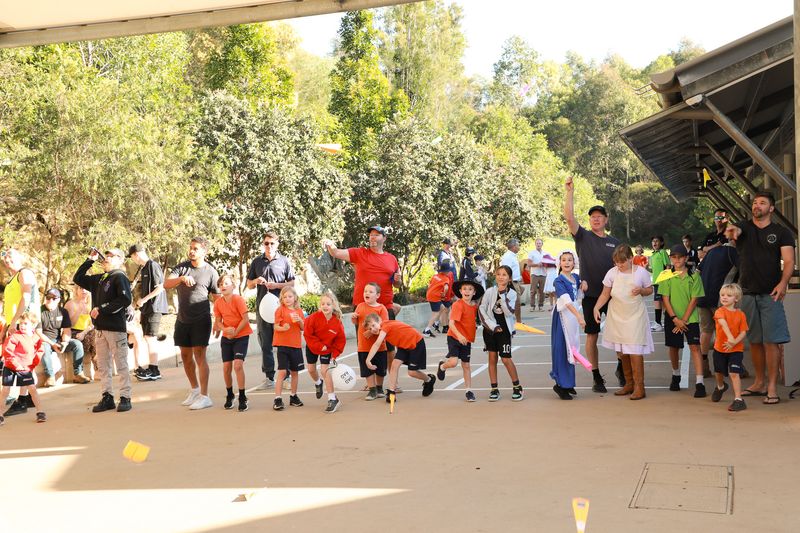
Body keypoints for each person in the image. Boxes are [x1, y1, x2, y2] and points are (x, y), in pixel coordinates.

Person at [725, 191, 795, 404]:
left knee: (771, 342)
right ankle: (759, 382)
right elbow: (735, 230)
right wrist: (732, 231)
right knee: (754, 341)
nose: (757, 205)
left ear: (771, 208)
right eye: (755, 202)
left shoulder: (781, 232)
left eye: (762, 203)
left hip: (771, 294)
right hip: (747, 293)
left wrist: (783, 283)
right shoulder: (744, 227)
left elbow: (789, 261)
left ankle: (772, 387)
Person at [564, 176, 621, 393]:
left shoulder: (615, 243)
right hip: (590, 296)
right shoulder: (583, 237)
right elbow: (569, 218)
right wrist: (570, 192)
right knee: (592, 335)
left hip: (613, 296)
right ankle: (596, 376)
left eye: (599, 217)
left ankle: (622, 368)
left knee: (619, 335)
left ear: (606, 220)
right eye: (592, 217)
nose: (595, 219)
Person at [324, 225, 401, 368]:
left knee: (389, 346)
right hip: (363, 309)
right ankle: (369, 378)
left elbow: (397, 284)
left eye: (376, 234)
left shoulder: (392, 259)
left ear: (384, 238)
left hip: (385, 307)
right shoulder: (359, 253)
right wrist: (330, 245)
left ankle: (391, 377)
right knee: (365, 346)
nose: (372, 237)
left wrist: (398, 280)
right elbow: (335, 252)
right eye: (371, 235)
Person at [73, 247, 133, 413]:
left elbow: (125, 299)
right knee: (103, 365)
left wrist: (102, 308)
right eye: (106, 255)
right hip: (100, 329)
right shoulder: (100, 278)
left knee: (121, 364)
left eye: (112, 256)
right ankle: (107, 396)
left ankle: (125, 396)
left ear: (120, 260)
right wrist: (89, 260)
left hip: (115, 328)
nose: (107, 258)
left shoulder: (119, 276)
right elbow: (78, 278)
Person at [164, 237, 220, 410]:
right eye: (191, 248)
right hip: (182, 319)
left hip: (201, 320)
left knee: (200, 356)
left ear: (204, 251)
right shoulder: (182, 268)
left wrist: (218, 320)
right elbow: (166, 284)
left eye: (195, 248)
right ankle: (195, 390)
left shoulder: (211, 271)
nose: (192, 251)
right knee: (185, 356)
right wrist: (181, 278)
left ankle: (205, 396)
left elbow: (217, 299)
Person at [593, 245, 654, 400]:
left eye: (622, 262)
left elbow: (650, 290)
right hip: (617, 315)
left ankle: (640, 387)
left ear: (630, 258)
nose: (619, 265)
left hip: (635, 315)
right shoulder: (611, 273)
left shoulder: (641, 272)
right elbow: (605, 294)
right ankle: (629, 384)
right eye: (616, 262)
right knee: (622, 351)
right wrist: (596, 307)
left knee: (635, 350)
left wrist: (641, 291)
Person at [246, 231, 295, 390]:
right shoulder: (257, 262)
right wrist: (256, 280)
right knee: (265, 344)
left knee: (283, 344)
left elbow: (292, 283)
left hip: (281, 309)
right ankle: (269, 378)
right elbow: (249, 284)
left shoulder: (284, 261)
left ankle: (286, 377)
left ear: (277, 244)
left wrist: (277, 285)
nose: (269, 246)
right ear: (263, 244)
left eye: (272, 243)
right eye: (266, 243)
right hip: (263, 309)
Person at [659, 244, 705, 397]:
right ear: (670, 258)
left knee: (695, 347)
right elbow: (665, 298)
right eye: (674, 257)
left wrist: (683, 320)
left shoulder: (694, 276)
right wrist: (675, 319)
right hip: (672, 318)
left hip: (689, 318)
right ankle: (675, 375)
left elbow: (694, 299)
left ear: (686, 258)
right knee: (673, 347)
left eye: (680, 257)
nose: (677, 260)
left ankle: (700, 382)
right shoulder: (666, 275)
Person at [363, 313, 435, 407]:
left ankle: (429, 379)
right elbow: (377, 332)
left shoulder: (386, 326)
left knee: (412, 372)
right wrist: (371, 330)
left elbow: (377, 344)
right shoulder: (382, 328)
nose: (373, 329)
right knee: (394, 365)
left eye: (373, 325)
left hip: (415, 343)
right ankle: (391, 392)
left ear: (379, 320)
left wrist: (368, 360)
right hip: (403, 346)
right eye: (370, 329)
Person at [478, 265, 523, 402]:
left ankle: (517, 386)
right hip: (490, 330)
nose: (501, 277)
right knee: (492, 358)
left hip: (504, 331)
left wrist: (503, 295)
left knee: (505, 359)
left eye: (504, 275)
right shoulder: (489, 291)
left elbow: (509, 312)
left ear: (509, 278)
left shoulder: (512, 294)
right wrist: (492, 326)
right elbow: (481, 309)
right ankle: (494, 389)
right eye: (498, 274)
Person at [436, 279, 484, 402]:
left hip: (466, 340)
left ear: (474, 292)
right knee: (453, 363)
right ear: (460, 291)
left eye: (470, 289)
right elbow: (451, 324)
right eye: (464, 289)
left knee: (466, 365)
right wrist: (459, 336)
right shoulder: (458, 305)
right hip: (454, 336)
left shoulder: (474, 306)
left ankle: (468, 391)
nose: (467, 291)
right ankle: (442, 366)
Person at [697, 243, 739, 378]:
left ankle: (703, 366)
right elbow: (744, 272)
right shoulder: (732, 252)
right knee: (726, 331)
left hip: (702, 296)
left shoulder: (712, 252)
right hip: (719, 298)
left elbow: (698, 271)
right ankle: (731, 365)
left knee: (706, 330)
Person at [212, 274, 252, 412]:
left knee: (238, 365)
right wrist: (224, 329)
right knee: (226, 367)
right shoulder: (218, 303)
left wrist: (235, 332)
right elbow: (218, 321)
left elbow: (245, 319)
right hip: (227, 337)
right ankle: (230, 395)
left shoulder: (238, 299)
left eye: (226, 283)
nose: (223, 286)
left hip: (241, 336)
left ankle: (242, 397)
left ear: (233, 286)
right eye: (221, 284)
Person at [128, 244, 168, 381]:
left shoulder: (153, 265)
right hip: (146, 308)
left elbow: (160, 288)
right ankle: (149, 368)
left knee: (150, 337)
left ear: (136, 254)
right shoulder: (144, 268)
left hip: (154, 307)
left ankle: (154, 369)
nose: (133, 259)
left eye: (132, 257)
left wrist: (144, 300)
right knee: (147, 337)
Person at [303, 290, 346, 413]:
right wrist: (318, 345)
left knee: (324, 370)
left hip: (327, 349)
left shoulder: (337, 322)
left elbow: (340, 340)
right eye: (323, 304)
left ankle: (332, 399)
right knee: (311, 369)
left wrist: (335, 354)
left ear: (333, 306)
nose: (325, 306)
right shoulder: (313, 318)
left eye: (328, 304)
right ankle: (318, 382)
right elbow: (307, 334)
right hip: (313, 346)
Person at [550, 251, 585, 400]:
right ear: (559, 263)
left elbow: (579, 293)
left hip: (572, 316)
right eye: (563, 260)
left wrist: (583, 284)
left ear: (574, 262)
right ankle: (560, 384)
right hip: (563, 317)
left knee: (572, 348)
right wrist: (579, 316)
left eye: (569, 260)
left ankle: (568, 383)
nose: (566, 262)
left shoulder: (575, 277)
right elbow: (566, 300)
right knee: (562, 349)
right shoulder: (558, 280)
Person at [0, 311, 46, 424]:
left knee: (32, 389)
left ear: (33, 325)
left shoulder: (36, 338)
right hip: (10, 367)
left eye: (25, 323)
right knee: (5, 390)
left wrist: (31, 365)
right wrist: (16, 365)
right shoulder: (14, 336)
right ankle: (0, 415)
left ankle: (40, 412)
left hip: (25, 368)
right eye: (20, 323)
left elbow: (40, 351)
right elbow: (7, 352)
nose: (22, 326)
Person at [37, 288, 90, 386]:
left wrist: (65, 342)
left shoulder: (63, 311)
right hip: (46, 341)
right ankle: (50, 377)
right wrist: (52, 344)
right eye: (48, 297)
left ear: (58, 300)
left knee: (77, 344)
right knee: (44, 347)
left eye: (54, 298)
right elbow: (38, 333)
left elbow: (67, 330)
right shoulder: (39, 311)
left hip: (58, 340)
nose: (50, 300)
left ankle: (78, 374)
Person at [710, 283, 749, 412]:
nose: (724, 297)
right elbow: (723, 323)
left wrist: (734, 342)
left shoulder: (741, 314)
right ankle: (720, 386)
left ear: (736, 299)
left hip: (736, 350)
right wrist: (730, 338)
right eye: (722, 295)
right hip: (720, 349)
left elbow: (743, 331)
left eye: (729, 295)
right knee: (719, 371)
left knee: (734, 373)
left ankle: (738, 399)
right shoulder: (719, 311)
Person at [352, 283, 389, 400]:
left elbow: (385, 325)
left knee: (380, 369)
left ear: (377, 295)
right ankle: (372, 390)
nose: (367, 293)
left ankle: (379, 388)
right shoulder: (360, 306)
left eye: (370, 291)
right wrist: (353, 318)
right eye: (365, 291)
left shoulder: (381, 308)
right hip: (364, 346)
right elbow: (356, 322)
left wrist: (372, 331)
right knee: (367, 370)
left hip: (380, 346)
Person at [271, 286, 305, 411]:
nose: (287, 299)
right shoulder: (280, 310)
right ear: (282, 299)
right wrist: (283, 328)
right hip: (283, 345)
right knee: (282, 372)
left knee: (295, 372)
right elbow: (275, 326)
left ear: (295, 297)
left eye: (290, 296)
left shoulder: (299, 311)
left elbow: (303, 327)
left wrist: (300, 320)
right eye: (284, 297)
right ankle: (278, 398)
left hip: (295, 345)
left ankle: (293, 396)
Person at [64, 284, 95, 381]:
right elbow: (69, 324)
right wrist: (79, 310)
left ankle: (98, 368)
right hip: (73, 332)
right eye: (81, 288)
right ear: (76, 290)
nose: (84, 291)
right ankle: (79, 373)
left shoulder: (91, 304)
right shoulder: (70, 304)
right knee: (92, 338)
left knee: (97, 335)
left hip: (86, 332)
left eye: (86, 288)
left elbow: (92, 324)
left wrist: (84, 333)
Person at [422, 260, 454, 337]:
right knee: (435, 313)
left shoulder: (435, 276)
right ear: (447, 271)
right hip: (435, 297)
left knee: (443, 308)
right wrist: (444, 294)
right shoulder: (446, 278)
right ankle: (427, 330)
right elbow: (446, 288)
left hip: (430, 294)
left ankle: (435, 323)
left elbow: (429, 285)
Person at [648, 236, 670, 332]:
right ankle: (666, 323)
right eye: (653, 241)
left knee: (658, 302)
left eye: (657, 241)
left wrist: (665, 279)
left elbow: (668, 266)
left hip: (662, 282)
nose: (654, 243)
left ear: (661, 243)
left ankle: (658, 323)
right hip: (656, 282)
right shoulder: (653, 255)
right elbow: (653, 269)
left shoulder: (662, 252)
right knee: (663, 303)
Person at [500, 238, 524, 322]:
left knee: (516, 302)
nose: (519, 247)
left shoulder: (513, 256)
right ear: (514, 247)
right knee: (516, 302)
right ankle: (518, 321)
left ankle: (517, 321)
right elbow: (506, 271)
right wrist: (510, 284)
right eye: (518, 245)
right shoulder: (508, 257)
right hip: (511, 282)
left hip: (516, 281)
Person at [527, 239, 547, 312]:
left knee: (542, 291)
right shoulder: (531, 253)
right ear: (535, 244)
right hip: (534, 274)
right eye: (537, 243)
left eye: (540, 243)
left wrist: (545, 264)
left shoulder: (545, 253)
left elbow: (549, 263)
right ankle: (532, 306)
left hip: (543, 274)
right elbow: (529, 264)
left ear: (542, 244)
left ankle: (541, 306)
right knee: (533, 291)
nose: (538, 244)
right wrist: (537, 264)